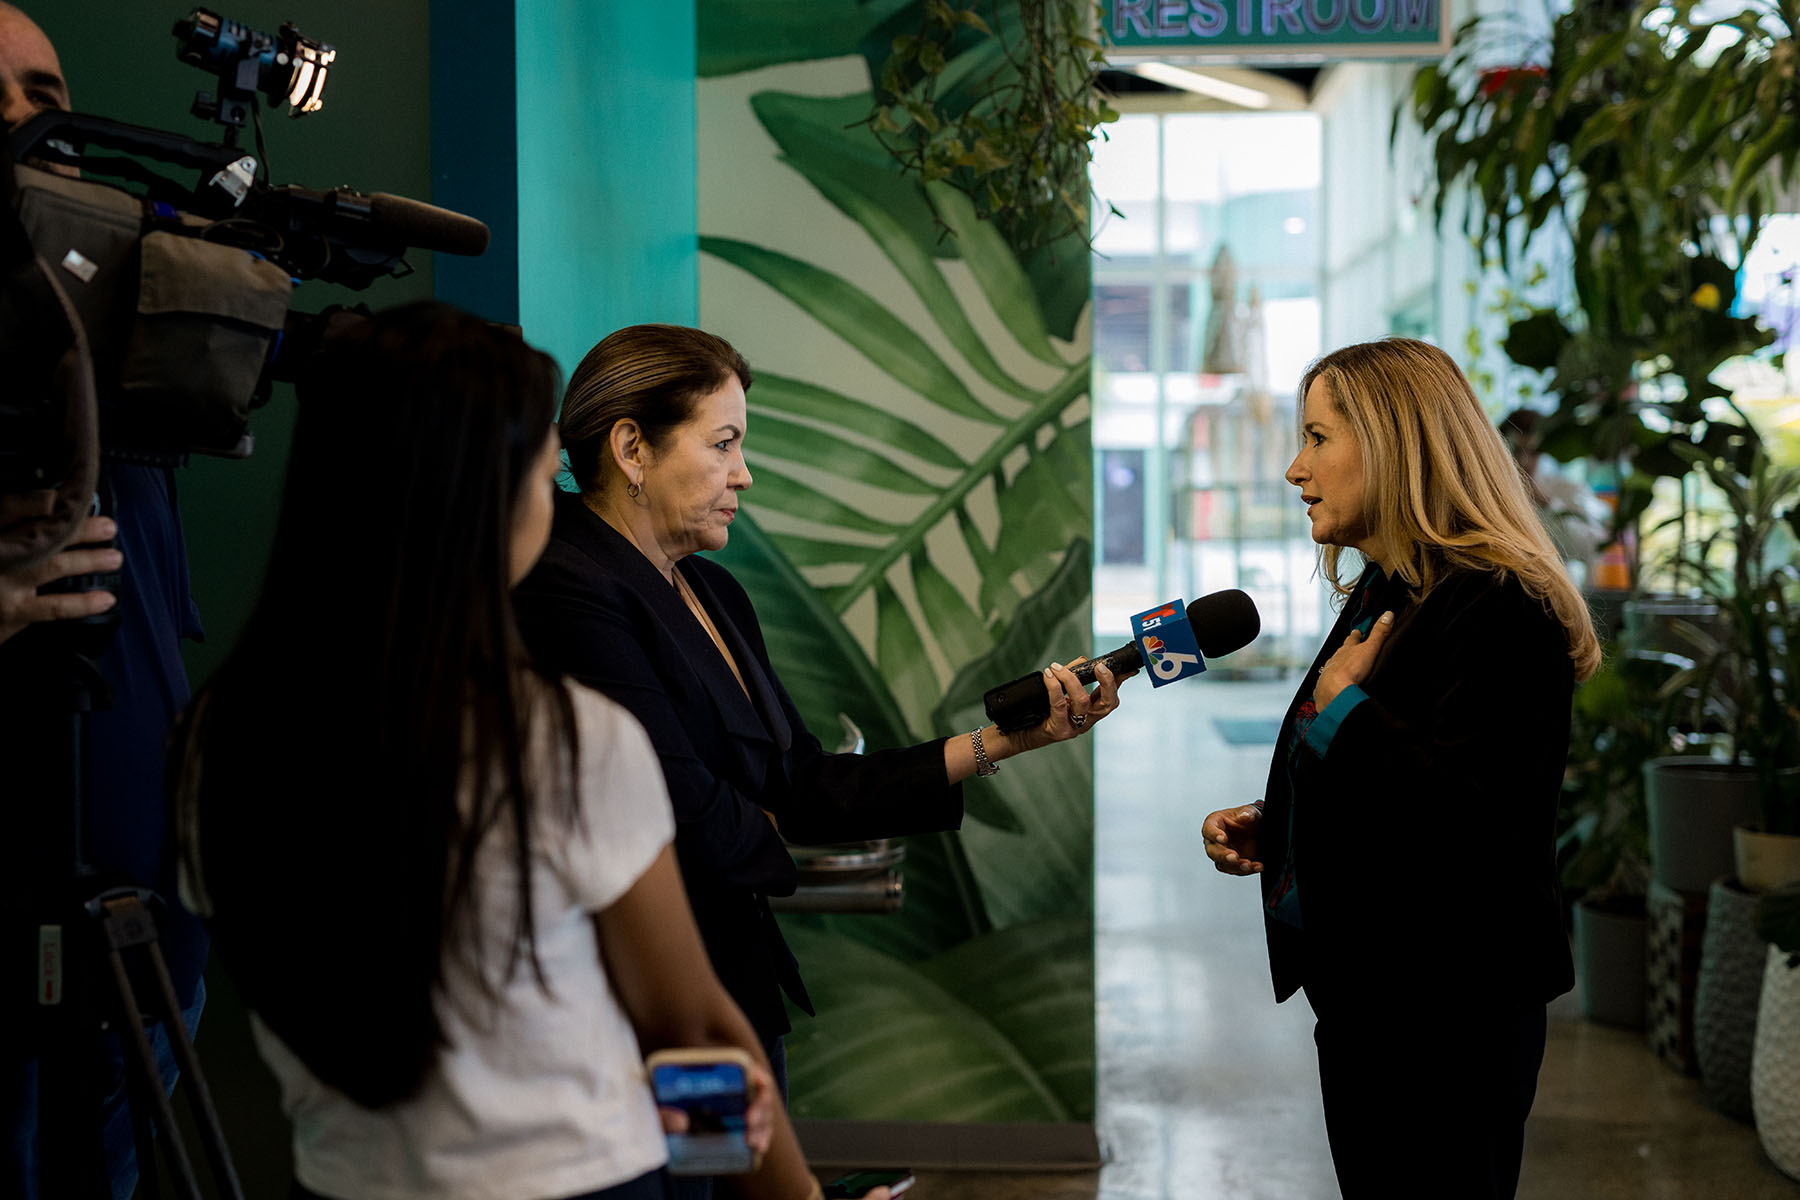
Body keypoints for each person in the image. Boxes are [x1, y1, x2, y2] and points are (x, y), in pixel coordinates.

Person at [171, 302, 882, 1200]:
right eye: (541, 477)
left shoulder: (212, 739)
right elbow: (689, 1033)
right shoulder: (561, 739)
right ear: (479, 494)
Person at [511, 324, 1125, 1126]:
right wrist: (770, 821)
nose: (745, 474)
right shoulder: (570, 585)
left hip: (736, 985)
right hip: (644, 1013)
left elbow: (800, 782)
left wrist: (1009, 740)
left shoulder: (715, 592)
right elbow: (674, 812)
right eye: (724, 444)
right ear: (632, 449)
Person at [1200, 337, 1601, 1200]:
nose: (1295, 470)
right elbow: (1399, 785)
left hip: (1451, 1018)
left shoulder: (1502, 605)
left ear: (1390, 444)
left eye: (1317, 438)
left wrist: (1345, 713)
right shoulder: (1395, 588)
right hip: (1375, 1004)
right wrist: (1287, 828)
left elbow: (1477, 818)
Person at [0, 7, 209, 1197]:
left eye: (47, 97)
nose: (36, 132)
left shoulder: (113, 341)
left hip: (150, 971)